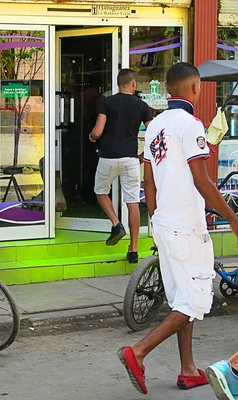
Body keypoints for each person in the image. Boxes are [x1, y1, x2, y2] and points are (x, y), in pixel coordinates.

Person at [117, 62, 238, 395]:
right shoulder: (190, 124)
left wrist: (155, 217)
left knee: (182, 299)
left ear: (168, 89)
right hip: (186, 226)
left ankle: (188, 369)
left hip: (165, 223)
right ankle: (137, 352)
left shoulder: (155, 124)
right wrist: (231, 216)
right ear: (195, 88)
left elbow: (149, 178)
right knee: (193, 303)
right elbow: (202, 180)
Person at [89, 69, 153, 263]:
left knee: (100, 191)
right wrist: (143, 155)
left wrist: (91, 136)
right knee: (132, 203)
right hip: (130, 159)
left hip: (108, 157)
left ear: (118, 84)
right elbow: (154, 133)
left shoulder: (107, 102)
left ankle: (116, 224)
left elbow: (98, 131)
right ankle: (133, 250)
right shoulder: (142, 106)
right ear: (133, 84)